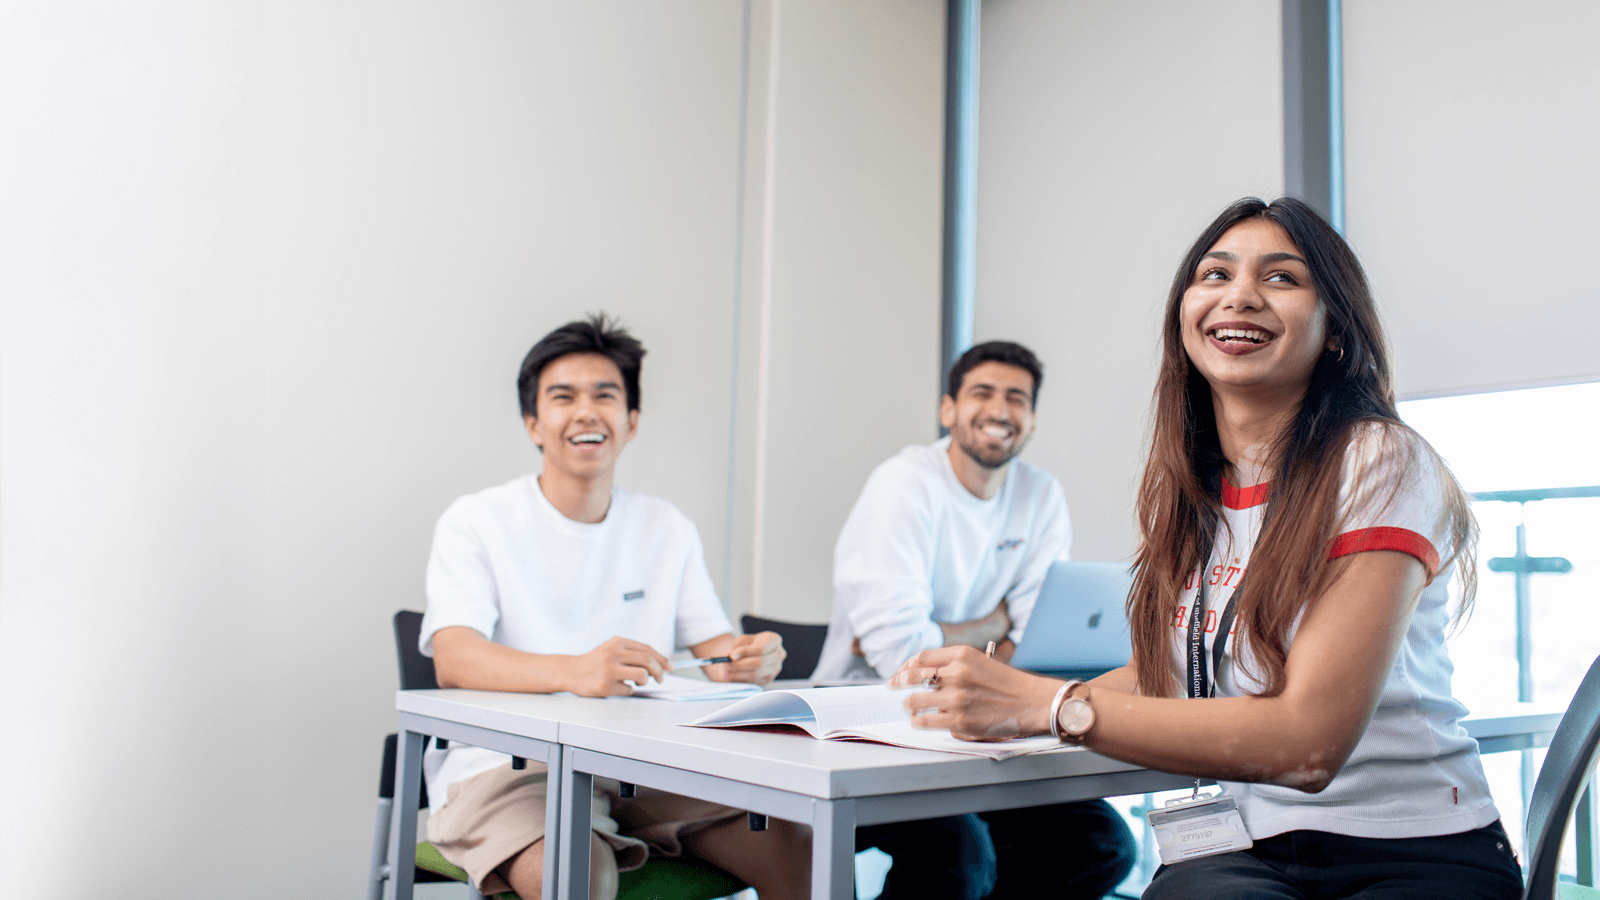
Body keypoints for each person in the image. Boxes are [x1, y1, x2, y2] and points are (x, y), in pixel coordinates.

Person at [890, 197, 1523, 899]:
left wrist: (1050, 704)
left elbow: (1307, 742)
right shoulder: (1196, 487)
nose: (1241, 295)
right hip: (1244, 846)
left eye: (1281, 278)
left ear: (1336, 330)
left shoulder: (1378, 460)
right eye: (1215, 275)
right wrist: (1002, 708)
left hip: (1409, 847)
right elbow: (1170, 673)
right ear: (1186, 316)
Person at [418, 313, 808, 900]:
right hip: (513, 768)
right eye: (562, 397)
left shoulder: (665, 526)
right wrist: (574, 671)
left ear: (631, 422)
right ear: (533, 424)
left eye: (605, 395)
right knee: (579, 873)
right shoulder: (476, 520)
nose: (585, 411)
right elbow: (453, 657)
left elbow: (715, 652)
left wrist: (749, 658)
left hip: (648, 767)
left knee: (800, 845)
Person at [814, 340, 1137, 900]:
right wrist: (997, 626)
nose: (999, 409)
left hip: (988, 730)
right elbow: (905, 662)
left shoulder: (1039, 494)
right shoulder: (905, 484)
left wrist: (967, 644)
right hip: (874, 726)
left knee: (1103, 846)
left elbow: (1041, 644)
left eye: (1017, 397)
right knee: (960, 857)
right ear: (948, 410)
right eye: (981, 392)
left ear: (1031, 419)